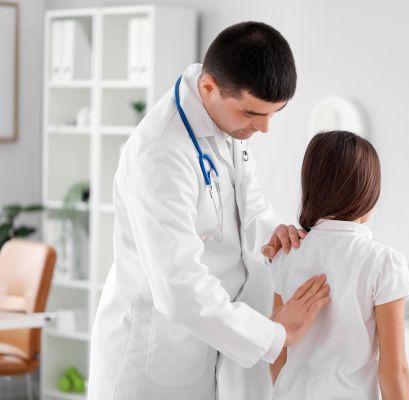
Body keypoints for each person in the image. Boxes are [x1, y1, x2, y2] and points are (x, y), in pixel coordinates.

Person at [88, 22, 330, 400]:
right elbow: (179, 288)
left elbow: (248, 204)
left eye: (273, 114)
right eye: (253, 113)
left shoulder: (225, 121)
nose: (264, 128)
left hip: (202, 353)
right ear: (208, 88)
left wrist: (272, 229)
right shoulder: (160, 154)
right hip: (151, 364)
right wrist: (275, 334)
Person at [269, 131, 409, 400]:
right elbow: (395, 370)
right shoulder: (383, 263)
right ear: (369, 192)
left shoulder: (285, 255)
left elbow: (277, 346)